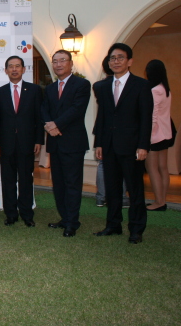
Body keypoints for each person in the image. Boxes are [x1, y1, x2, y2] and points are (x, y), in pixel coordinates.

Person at [93, 43, 153, 244]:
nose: (116, 61)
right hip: (109, 146)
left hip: (132, 147)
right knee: (112, 189)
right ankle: (113, 225)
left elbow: (146, 118)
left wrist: (143, 146)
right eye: (112, 58)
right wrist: (99, 143)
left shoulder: (142, 85)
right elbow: (102, 117)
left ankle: (136, 229)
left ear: (130, 61)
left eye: (120, 58)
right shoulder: (101, 87)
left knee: (135, 190)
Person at [41, 49, 91, 237]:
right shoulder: (51, 88)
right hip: (55, 142)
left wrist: (56, 124)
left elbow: (77, 109)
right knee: (59, 184)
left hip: (73, 142)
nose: (58, 64)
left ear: (71, 63)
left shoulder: (82, 84)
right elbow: (44, 109)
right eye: (55, 61)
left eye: (62, 60)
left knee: (72, 184)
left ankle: (73, 222)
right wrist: (49, 125)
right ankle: (64, 218)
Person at [0, 55, 43, 227]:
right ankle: (11, 214)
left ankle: (27, 214)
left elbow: (39, 117)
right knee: (7, 181)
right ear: (6, 70)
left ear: (23, 69)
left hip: (27, 143)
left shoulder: (35, 90)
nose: (14, 69)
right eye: (11, 66)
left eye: (18, 66)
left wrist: (39, 140)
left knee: (25, 180)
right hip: (6, 145)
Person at [93, 56, 130, 209]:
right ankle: (118, 197)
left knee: (104, 164)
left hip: (107, 130)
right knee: (112, 164)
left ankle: (101, 197)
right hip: (112, 130)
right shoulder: (103, 86)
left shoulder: (99, 85)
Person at [145, 59, 173, 212]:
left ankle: (159, 201)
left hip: (154, 136)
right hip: (165, 134)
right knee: (163, 168)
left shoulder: (155, 90)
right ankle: (163, 199)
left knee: (152, 168)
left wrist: (146, 137)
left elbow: (153, 116)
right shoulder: (165, 89)